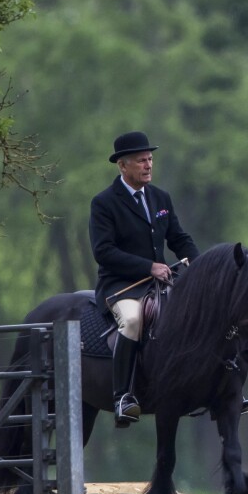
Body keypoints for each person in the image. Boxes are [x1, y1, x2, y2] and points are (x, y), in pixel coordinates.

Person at [89, 131, 200, 428]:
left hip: (160, 284)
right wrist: (148, 266)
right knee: (134, 320)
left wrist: (203, 269)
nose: (148, 165)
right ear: (122, 166)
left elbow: (178, 238)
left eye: (150, 159)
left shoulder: (161, 198)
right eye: (141, 161)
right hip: (121, 287)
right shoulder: (104, 203)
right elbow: (104, 252)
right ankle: (123, 397)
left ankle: (211, 388)